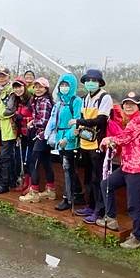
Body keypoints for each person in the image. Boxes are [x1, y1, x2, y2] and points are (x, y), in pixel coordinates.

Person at [100, 92, 140, 249]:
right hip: (127, 167)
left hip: (139, 170)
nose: (128, 106)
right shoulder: (129, 122)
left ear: (139, 106)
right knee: (106, 185)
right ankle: (110, 218)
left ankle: (137, 236)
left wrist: (109, 139)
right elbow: (125, 140)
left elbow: (124, 138)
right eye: (126, 104)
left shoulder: (139, 121)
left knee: (134, 205)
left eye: (132, 104)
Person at [71, 69, 113, 224]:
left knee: (97, 178)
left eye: (94, 80)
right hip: (85, 142)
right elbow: (82, 116)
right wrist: (79, 128)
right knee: (88, 176)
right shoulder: (85, 98)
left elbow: (101, 120)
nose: (90, 83)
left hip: (97, 144)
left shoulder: (104, 97)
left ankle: (99, 210)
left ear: (99, 83)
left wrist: (80, 123)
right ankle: (90, 206)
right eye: (88, 80)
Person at [45, 73, 83, 211]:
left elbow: (76, 122)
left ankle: (68, 198)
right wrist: (47, 134)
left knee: (68, 169)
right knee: (68, 168)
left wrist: (67, 138)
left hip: (70, 140)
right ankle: (77, 193)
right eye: (62, 85)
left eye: (67, 85)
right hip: (59, 139)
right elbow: (53, 119)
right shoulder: (59, 102)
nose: (64, 87)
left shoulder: (76, 101)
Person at [19, 77, 55, 203]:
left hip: (41, 136)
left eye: (41, 87)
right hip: (44, 136)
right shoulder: (37, 100)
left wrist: (32, 123)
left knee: (33, 162)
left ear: (46, 89)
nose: (38, 89)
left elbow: (44, 121)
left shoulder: (44, 101)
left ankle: (33, 191)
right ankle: (51, 190)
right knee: (46, 162)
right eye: (36, 87)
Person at [0, 67, 17, 194]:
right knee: (5, 155)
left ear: (8, 77)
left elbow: (10, 110)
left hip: (9, 128)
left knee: (5, 156)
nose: (1, 78)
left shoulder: (11, 90)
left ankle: (4, 184)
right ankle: (11, 181)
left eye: (4, 76)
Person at [6, 76, 33, 193]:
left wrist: (23, 118)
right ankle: (24, 183)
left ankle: (30, 185)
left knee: (29, 159)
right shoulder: (16, 101)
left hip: (31, 133)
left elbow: (35, 116)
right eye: (15, 87)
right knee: (21, 159)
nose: (18, 90)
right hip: (20, 134)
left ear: (24, 87)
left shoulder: (31, 100)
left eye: (20, 87)